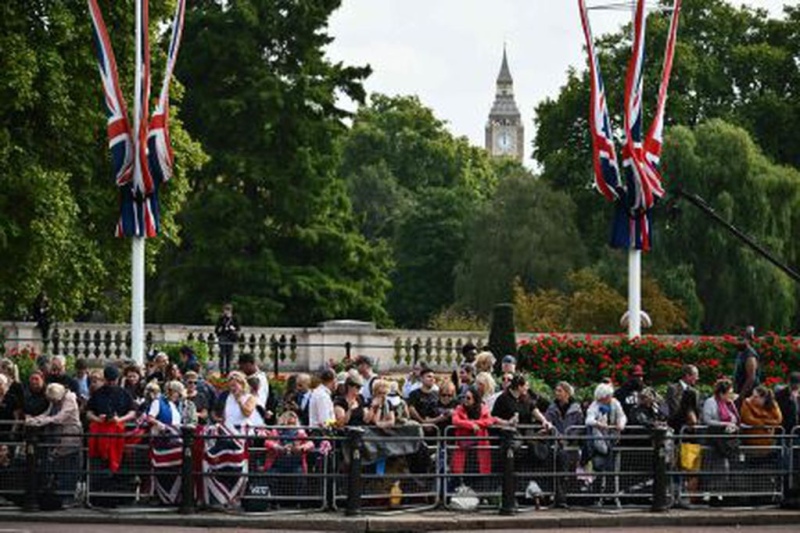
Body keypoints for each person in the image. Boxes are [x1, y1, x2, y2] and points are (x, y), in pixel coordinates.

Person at [25, 383, 82, 501]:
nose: (53, 402)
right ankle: (57, 493)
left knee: (68, 468)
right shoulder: (55, 399)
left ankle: (67, 495)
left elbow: (59, 417)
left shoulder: (70, 399)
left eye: (54, 400)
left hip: (69, 438)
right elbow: (48, 413)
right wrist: (34, 419)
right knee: (56, 466)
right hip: (56, 437)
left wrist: (40, 422)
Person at [450, 386, 496, 481]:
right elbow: (455, 420)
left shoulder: (483, 408)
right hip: (464, 446)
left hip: (480, 445)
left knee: (480, 471)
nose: (465, 400)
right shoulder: (459, 408)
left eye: (468, 398)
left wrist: (475, 423)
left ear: (475, 399)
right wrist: (470, 424)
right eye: (464, 397)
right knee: (461, 470)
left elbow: (490, 421)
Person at [740, 385, 783, 449]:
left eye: (756, 397)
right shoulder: (747, 403)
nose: (752, 398)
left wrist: (763, 421)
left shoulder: (772, 404)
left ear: (764, 398)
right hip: (751, 441)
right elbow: (748, 419)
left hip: (768, 441)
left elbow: (778, 419)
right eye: (752, 395)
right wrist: (766, 423)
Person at [665, 364, 700, 429]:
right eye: (695, 375)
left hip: (692, 427)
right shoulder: (673, 389)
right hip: (676, 426)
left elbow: (696, 409)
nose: (697, 378)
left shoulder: (695, 391)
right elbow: (674, 409)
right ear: (687, 375)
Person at [733, 326, 761, 399]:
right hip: (739, 391)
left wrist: (741, 396)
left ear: (747, 340)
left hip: (748, 395)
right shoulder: (741, 352)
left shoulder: (750, 356)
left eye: (741, 339)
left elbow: (751, 378)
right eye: (737, 339)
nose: (737, 341)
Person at [214, 303, 240, 375]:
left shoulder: (234, 318)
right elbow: (216, 329)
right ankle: (222, 371)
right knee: (222, 355)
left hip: (230, 338)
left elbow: (238, 328)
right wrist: (221, 331)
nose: (226, 312)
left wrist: (233, 328)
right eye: (225, 310)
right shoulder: (221, 318)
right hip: (223, 337)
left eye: (228, 310)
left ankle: (228, 371)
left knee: (229, 355)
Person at [776, 372, 800, 436]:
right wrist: (791, 400)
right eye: (793, 386)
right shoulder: (780, 394)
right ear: (789, 383)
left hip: (797, 430)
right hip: (785, 429)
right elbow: (780, 410)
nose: (796, 388)